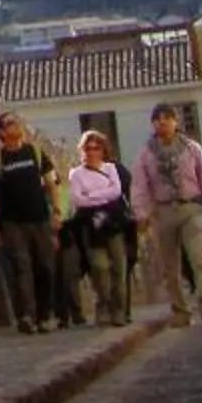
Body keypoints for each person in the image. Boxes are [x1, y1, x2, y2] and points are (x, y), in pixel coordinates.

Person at [131, 102, 202, 324]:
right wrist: (141, 214)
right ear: (153, 124)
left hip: (190, 207)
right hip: (162, 212)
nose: (162, 122)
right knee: (170, 266)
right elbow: (139, 186)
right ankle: (180, 310)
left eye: (166, 118)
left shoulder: (192, 148)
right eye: (157, 119)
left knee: (198, 257)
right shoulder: (145, 154)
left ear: (175, 121)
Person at [0, 113, 61, 333]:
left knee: (44, 267)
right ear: (1, 132)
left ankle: (44, 316)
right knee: (21, 267)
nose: (15, 124)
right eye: (9, 123)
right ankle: (27, 315)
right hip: (13, 223)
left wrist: (56, 212)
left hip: (40, 220)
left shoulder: (35, 152)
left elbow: (52, 183)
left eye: (15, 121)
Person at [63, 129, 136, 325]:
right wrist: (100, 196)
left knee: (119, 269)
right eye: (88, 148)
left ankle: (119, 311)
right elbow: (77, 198)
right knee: (100, 267)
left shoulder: (111, 169)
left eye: (96, 148)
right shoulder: (76, 173)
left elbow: (116, 191)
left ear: (103, 150)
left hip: (113, 223)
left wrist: (91, 196)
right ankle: (104, 303)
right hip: (91, 227)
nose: (92, 152)